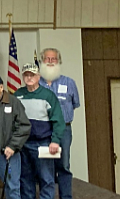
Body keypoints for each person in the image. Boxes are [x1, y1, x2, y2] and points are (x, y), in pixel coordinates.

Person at [15, 64, 64, 199]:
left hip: (43, 143)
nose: (29, 78)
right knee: (25, 179)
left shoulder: (48, 95)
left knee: (46, 179)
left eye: (32, 75)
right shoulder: (18, 95)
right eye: (26, 75)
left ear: (38, 77)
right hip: (23, 144)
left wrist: (55, 141)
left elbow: (58, 121)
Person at [38, 48, 79, 199]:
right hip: (43, 131)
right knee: (44, 167)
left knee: (64, 165)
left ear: (59, 61)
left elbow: (74, 104)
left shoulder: (69, 83)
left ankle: (66, 196)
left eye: (53, 59)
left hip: (63, 131)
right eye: (47, 59)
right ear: (42, 61)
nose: (50, 61)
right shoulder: (36, 83)